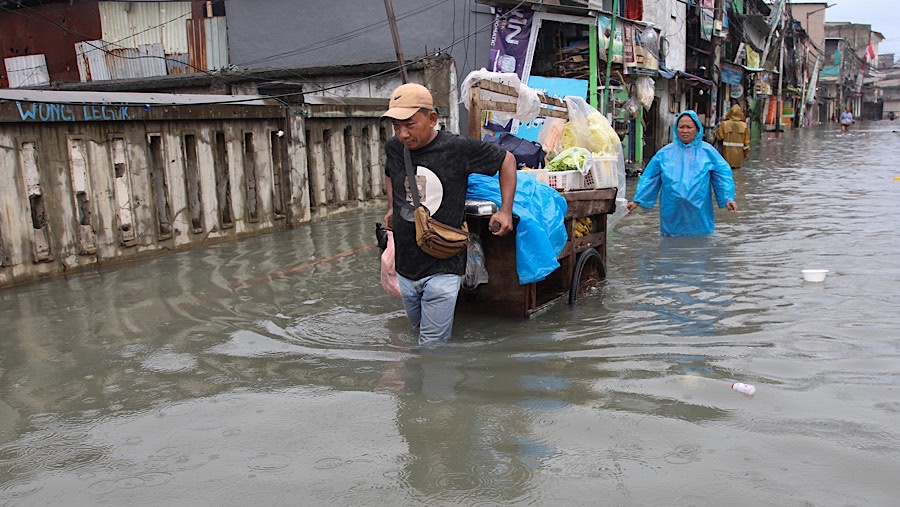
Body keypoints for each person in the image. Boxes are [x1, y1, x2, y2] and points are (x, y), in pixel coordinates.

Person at [381, 83, 517, 345]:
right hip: (406, 267)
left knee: (431, 347)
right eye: (396, 126)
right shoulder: (394, 148)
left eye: (409, 124)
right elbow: (390, 172)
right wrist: (390, 207)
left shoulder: (457, 148)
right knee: (417, 332)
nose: (402, 133)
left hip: (444, 264)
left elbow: (507, 160)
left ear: (432, 119)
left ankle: (431, 385)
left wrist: (505, 211)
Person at [626, 110, 738, 237]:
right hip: (672, 212)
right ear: (676, 129)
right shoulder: (664, 153)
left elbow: (722, 176)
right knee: (670, 243)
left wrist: (728, 198)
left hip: (699, 211)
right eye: (681, 127)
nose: (685, 131)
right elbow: (650, 178)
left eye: (689, 127)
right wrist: (637, 200)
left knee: (700, 243)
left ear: (697, 129)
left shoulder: (708, 152)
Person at [715, 104, 750, 169]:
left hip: (726, 154)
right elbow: (746, 142)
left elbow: (720, 137)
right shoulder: (744, 126)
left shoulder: (724, 124)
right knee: (737, 174)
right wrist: (746, 153)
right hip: (738, 156)